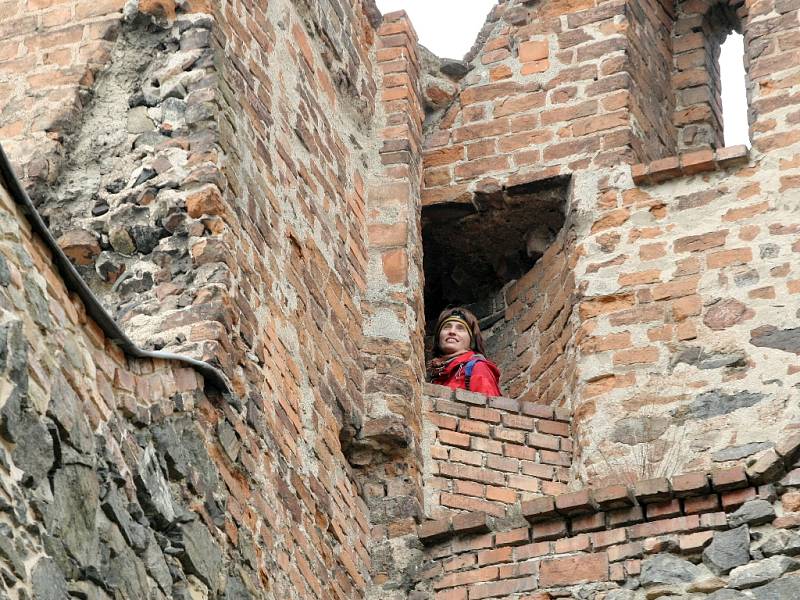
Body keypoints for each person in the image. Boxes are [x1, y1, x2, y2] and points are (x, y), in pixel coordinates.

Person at [427, 307, 502, 397]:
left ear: (471, 341)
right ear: (438, 338)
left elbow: (488, 409)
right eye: (446, 327)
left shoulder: (477, 368)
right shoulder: (434, 375)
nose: (452, 332)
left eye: (460, 328)